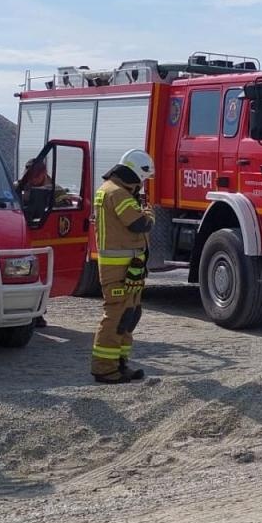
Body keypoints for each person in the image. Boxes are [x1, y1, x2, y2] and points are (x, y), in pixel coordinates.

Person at [91, 149, 155, 383]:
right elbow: (140, 224)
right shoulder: (116, 193)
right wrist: (149, 212)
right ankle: (104, 368)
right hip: (117, 268)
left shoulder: (113, 190)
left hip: (128, 266)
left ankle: (119, 363)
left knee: (130, 314)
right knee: (117, 314)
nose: (142, 184)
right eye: (142, 179)